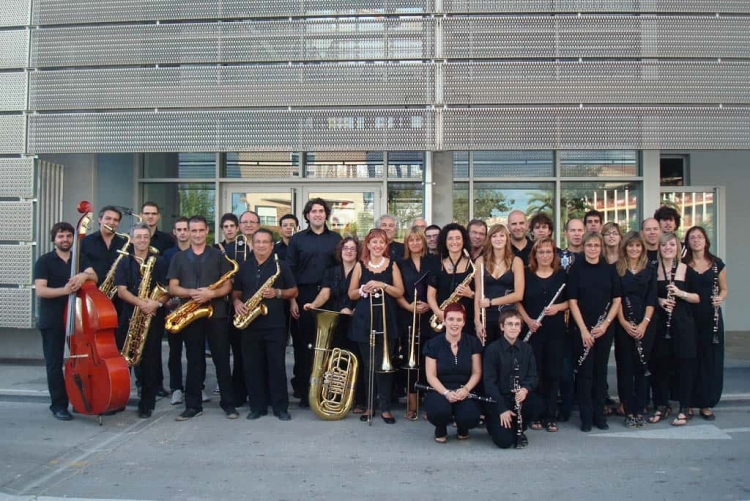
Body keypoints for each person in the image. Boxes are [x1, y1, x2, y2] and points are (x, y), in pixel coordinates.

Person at [167, 215, 238, 421]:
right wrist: (191, 292)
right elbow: (172, 287)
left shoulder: (218, 256)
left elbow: (228, 285)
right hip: (190, 314)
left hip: (216, 313)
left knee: (222, 359)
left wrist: (211, 294)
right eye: (193, 231)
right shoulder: (178, 258)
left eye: (201, 230)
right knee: (194, 360)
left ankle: (228, 404)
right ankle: (193, 405)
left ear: (207, 231)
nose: (197, 234)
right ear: (188, 232)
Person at [34, 222, 98, 421]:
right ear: (54, 239)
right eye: (61, 236)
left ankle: (79, 400)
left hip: (77, 318)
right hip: (52, 319)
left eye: (69, 236)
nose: (65, 240)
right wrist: (64, 290)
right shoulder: (44, 261)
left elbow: (94, 277)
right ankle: (59, 405)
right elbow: (41, 290)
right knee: (54, 364)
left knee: (82, 361)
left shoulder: (79, 259)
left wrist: (83, 275)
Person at [233, 229, 298, 421]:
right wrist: (237, 303)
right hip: (250, 324)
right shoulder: (244, 267)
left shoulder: (281, 266)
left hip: (275, 325)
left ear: (271, 245)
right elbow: (236, 292)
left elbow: (294, 291)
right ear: (252, 245)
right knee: (252, 368)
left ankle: (280, 408)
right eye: (257, 242)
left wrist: (278, 293)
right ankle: (257, 407)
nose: (261, 245)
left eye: (265, 242)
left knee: (277, 367)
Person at [288, 198, 342, 407]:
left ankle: (328, 391)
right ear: (307, 215)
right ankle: (305, 392)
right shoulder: (297, 240)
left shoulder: (336, 239)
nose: (317, 214)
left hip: (331, 297)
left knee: (330, 345)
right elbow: (290, 272)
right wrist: (293, 300)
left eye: (321, 211)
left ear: (326, 215)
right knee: (305, 345)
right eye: (313, 211)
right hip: (304, 295)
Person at [348, 228, 405, 424]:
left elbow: (399, 292)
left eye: (381, 242)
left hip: (387, 320)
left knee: (384, 365)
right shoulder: (360, 265)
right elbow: (351, 294)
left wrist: (383, 285)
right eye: (374, 242)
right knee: (369, 365)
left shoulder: (392, 265)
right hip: (364, 320)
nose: (378, 245)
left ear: (386, 245)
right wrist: (363, 289)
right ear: (368, 245)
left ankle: (386, 408)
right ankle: (369, 406)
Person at [568, 231, 622, 432]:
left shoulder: (609, 269)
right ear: (583, 247)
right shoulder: (576, 269)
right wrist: (583, 330)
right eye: (589, 245)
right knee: (585, 374)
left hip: (603, 329)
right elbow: (572, 301)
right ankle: (586, 418)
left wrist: (605, 325)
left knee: (600, 373)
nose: (592, 249)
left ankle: (600, 416)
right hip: (582, 329)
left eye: (596, 245)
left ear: (601, 248)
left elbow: (616, 300)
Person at [303, 236, 364, 412]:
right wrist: (314, 304)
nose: (349, 251)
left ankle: (358, 400)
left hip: (356, 320)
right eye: (346, 248)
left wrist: (353, 311)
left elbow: (364, 296)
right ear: (340, 251)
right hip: (335, 320)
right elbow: (325, 293)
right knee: (334, 360)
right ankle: (333, 397)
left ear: (358, 252)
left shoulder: (363, 270)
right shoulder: (332, 271)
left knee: (356, 360)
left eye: (353, 248)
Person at [115, 223, 169, 418]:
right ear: (132, 239)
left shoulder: (160, 261)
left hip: (152, 317)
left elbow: (168, 290)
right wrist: (142, 304)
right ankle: (119, 399)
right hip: (129, 317)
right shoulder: (124, 262)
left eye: (145, 236)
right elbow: (121, 291)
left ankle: (147, 404)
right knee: (124, 361)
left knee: (150, 362)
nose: (142, 240)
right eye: (138, 236)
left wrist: (156, 304)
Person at [516, 238, 569, 432]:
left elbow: (572, 301)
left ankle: (550, 415)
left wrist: (558, 307)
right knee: (534, 373)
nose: (545, 255)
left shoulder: (562, 275)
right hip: (533, 330)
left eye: (548, 252)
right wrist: (528, 320)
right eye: (541, 252)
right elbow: (518, 301)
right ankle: (535, 414)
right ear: (535, 255)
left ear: (553, 255)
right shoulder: (526, 274)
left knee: (553, 373)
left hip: (555, 330)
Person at [649, 232, 699, 426]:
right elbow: (646, 294)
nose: (667, 248)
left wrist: (680, 293)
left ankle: (684, 407)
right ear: (659, 248)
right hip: (660, 323)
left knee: (684, 365)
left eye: (671, 244)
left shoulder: (686, 269)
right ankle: (661, 405)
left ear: (677, 247)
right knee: (660, 365)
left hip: (682, 324)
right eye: (664, 245)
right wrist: (659, 300)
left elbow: (698, 297)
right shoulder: (653, 269)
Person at [684, 226, 728, 421]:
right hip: (690, 317)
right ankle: (688, 402)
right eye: (692, 237)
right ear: (688, 242)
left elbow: (724, 289)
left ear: (706, 241)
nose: (696, 240)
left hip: (712, 318)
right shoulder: (683, 264)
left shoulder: (717, 264)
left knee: (710, 360)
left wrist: (720, 298)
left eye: (699, 237)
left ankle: (706, 403)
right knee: (690, 360)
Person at [484, 308, 544, 449]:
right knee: (504, 442)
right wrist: (502, 409)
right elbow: (489, 383)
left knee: (537, 404)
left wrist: (525, 389)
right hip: (499, 399)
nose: (513, 327)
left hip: (518, 397)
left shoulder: (527, 349)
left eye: (517, 324)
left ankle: (519, 428)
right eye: (509, 324)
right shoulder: (492, 349)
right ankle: (494, 424)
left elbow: (533, 376)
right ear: (502, 327)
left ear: (520, 328)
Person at [423, 303, 483, 443]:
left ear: (463, 322)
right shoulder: (433, 344)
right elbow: (431, 375)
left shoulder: (472, 342)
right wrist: (446, 393)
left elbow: (477, 372)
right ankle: (441, 427)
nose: (454, 323)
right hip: (440, 390)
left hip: (464, 389)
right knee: (439, 411)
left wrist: (466, 389)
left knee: (470, 416)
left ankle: (463, 427)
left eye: (458, 320)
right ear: (444, 321)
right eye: (450, 319)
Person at [614, 231, 656, 428]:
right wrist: (623, 322)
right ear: (625, 248)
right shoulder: (617, 268)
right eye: (630, 245)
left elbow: (651, 299)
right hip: (623, 323)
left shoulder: (650, 269)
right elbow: (616, 298)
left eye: (638, 246)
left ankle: (639, 409)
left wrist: (644, 324)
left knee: (641, 367)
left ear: (642, 248)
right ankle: (628, 410)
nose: (634, 249)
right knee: (625, 367)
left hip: (644, 324)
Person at [396, 228, 437, 420]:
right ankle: (412, 406)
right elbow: (397, 291)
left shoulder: (434, 261)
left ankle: (430, 404)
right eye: (411, 240)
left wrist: (430, 304)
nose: (415, 243)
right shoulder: (400, 263)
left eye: (418, 239)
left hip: (430, 315)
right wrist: (409, 306)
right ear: (406, 243)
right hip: (408, 315)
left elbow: (439, 286)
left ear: (424, 241)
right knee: (411, 359)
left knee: (429, 359)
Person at [474, 224, 524, 346]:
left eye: (502, 236)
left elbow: (519, 295)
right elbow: (478, 293)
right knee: (487, 352)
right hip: (487, 316)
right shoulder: (480, 261)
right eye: (494, 236)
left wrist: (491, 302)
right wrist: (477, 321)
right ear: (489, 239)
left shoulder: (516, 261)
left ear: (507, 238)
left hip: (508, 317)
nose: (498, 239)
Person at [427, 223, 475, 337]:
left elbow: (481, 295)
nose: (454, 242)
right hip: (443, 318)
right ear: (445, 241)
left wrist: (471, 294)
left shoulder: (472, 265)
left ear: (464, 241)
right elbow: (430, 295)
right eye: (450, 238)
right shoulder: (437, 264)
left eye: (458, 238)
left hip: (467, 320)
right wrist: (439, 313)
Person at [162, 217, 190, 405]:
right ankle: (176, 388)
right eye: (179, 229)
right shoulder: (168, 254)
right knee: (175, 352)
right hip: (174, 308)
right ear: (174, 232)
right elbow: (164, 281)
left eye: (185, 229)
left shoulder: (200, 251)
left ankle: (197, 387)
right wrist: (168, 300)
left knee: (195, 351)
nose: (182, 232)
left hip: (193, 307)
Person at [80, 205, 126, 288]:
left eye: (116, 220)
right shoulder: (86, 242)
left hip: (117, 292)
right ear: (100, 220)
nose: (112, 223)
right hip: (92, 291)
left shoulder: (124, 244)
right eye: (108, 218)